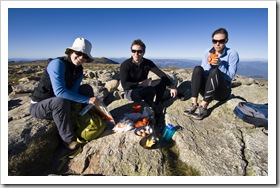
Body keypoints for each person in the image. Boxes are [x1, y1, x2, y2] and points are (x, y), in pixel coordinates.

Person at [29, 37, 100, 150]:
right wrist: (87, 100)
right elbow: (60, 92)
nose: (81, 57)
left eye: (85, 56)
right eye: (79, 53)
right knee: (60, 101)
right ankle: (68, 140)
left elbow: (74, 91)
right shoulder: (57, 64)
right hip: (40, 105)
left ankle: (84, 119)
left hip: (62, 103)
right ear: (71, 51)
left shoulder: (78, 70)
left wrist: (88, 99)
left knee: (86, 89)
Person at [184, 28, 239, 120]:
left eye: (221, 41)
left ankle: (203, 107)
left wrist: (220, 65)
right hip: (208, 90)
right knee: (197, 68)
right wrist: (209, 64)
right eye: (215, 41)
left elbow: (230, 77)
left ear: (226, 41)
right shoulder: (207, 52)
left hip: (221, 92)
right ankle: (194, 104)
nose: (217, 44)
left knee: (215, 71)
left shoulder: (232, 54)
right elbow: (202, 73)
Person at [120, 39, 178, 118]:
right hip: (130, 91)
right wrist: (140, 84)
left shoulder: (147, 63)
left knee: (161, 82)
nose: (136, 54)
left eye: (139, 51)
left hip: (144, 87)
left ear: (143, 53)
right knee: (150, 89)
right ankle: (152, 106)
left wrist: (172, 87)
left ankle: (157, 104)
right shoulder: (125, 65)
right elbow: (125, 85)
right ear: (131, 52)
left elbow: (161, 74)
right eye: (134, 51)